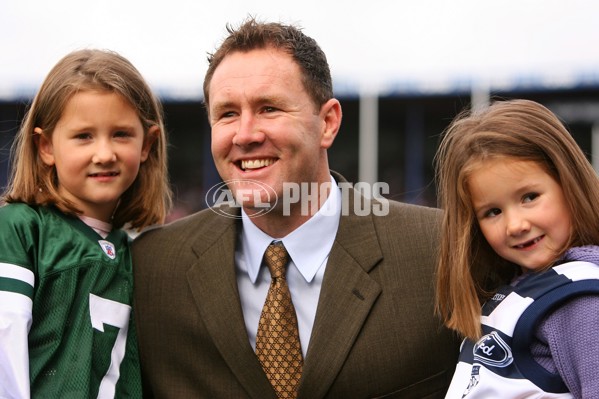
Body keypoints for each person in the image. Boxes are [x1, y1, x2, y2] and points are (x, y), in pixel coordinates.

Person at [132, 17, 459, 399]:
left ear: (328, 123)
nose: (245, 134)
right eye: (227, 114)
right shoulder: (150, 268)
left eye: (269, 108)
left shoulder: (441, 249)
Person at [0, 49, 171, 398]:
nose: (104, 153)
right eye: (84, 136)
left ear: (147, 144)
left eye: (121, 134)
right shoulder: (18, 229)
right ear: (45, 146)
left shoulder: (141, 250)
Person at [435, 99, 599, 398]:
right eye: (492, 212)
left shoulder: (581, 299)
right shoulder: (521, 288)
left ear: (570, 183)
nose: (515, 225)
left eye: (529, 197)